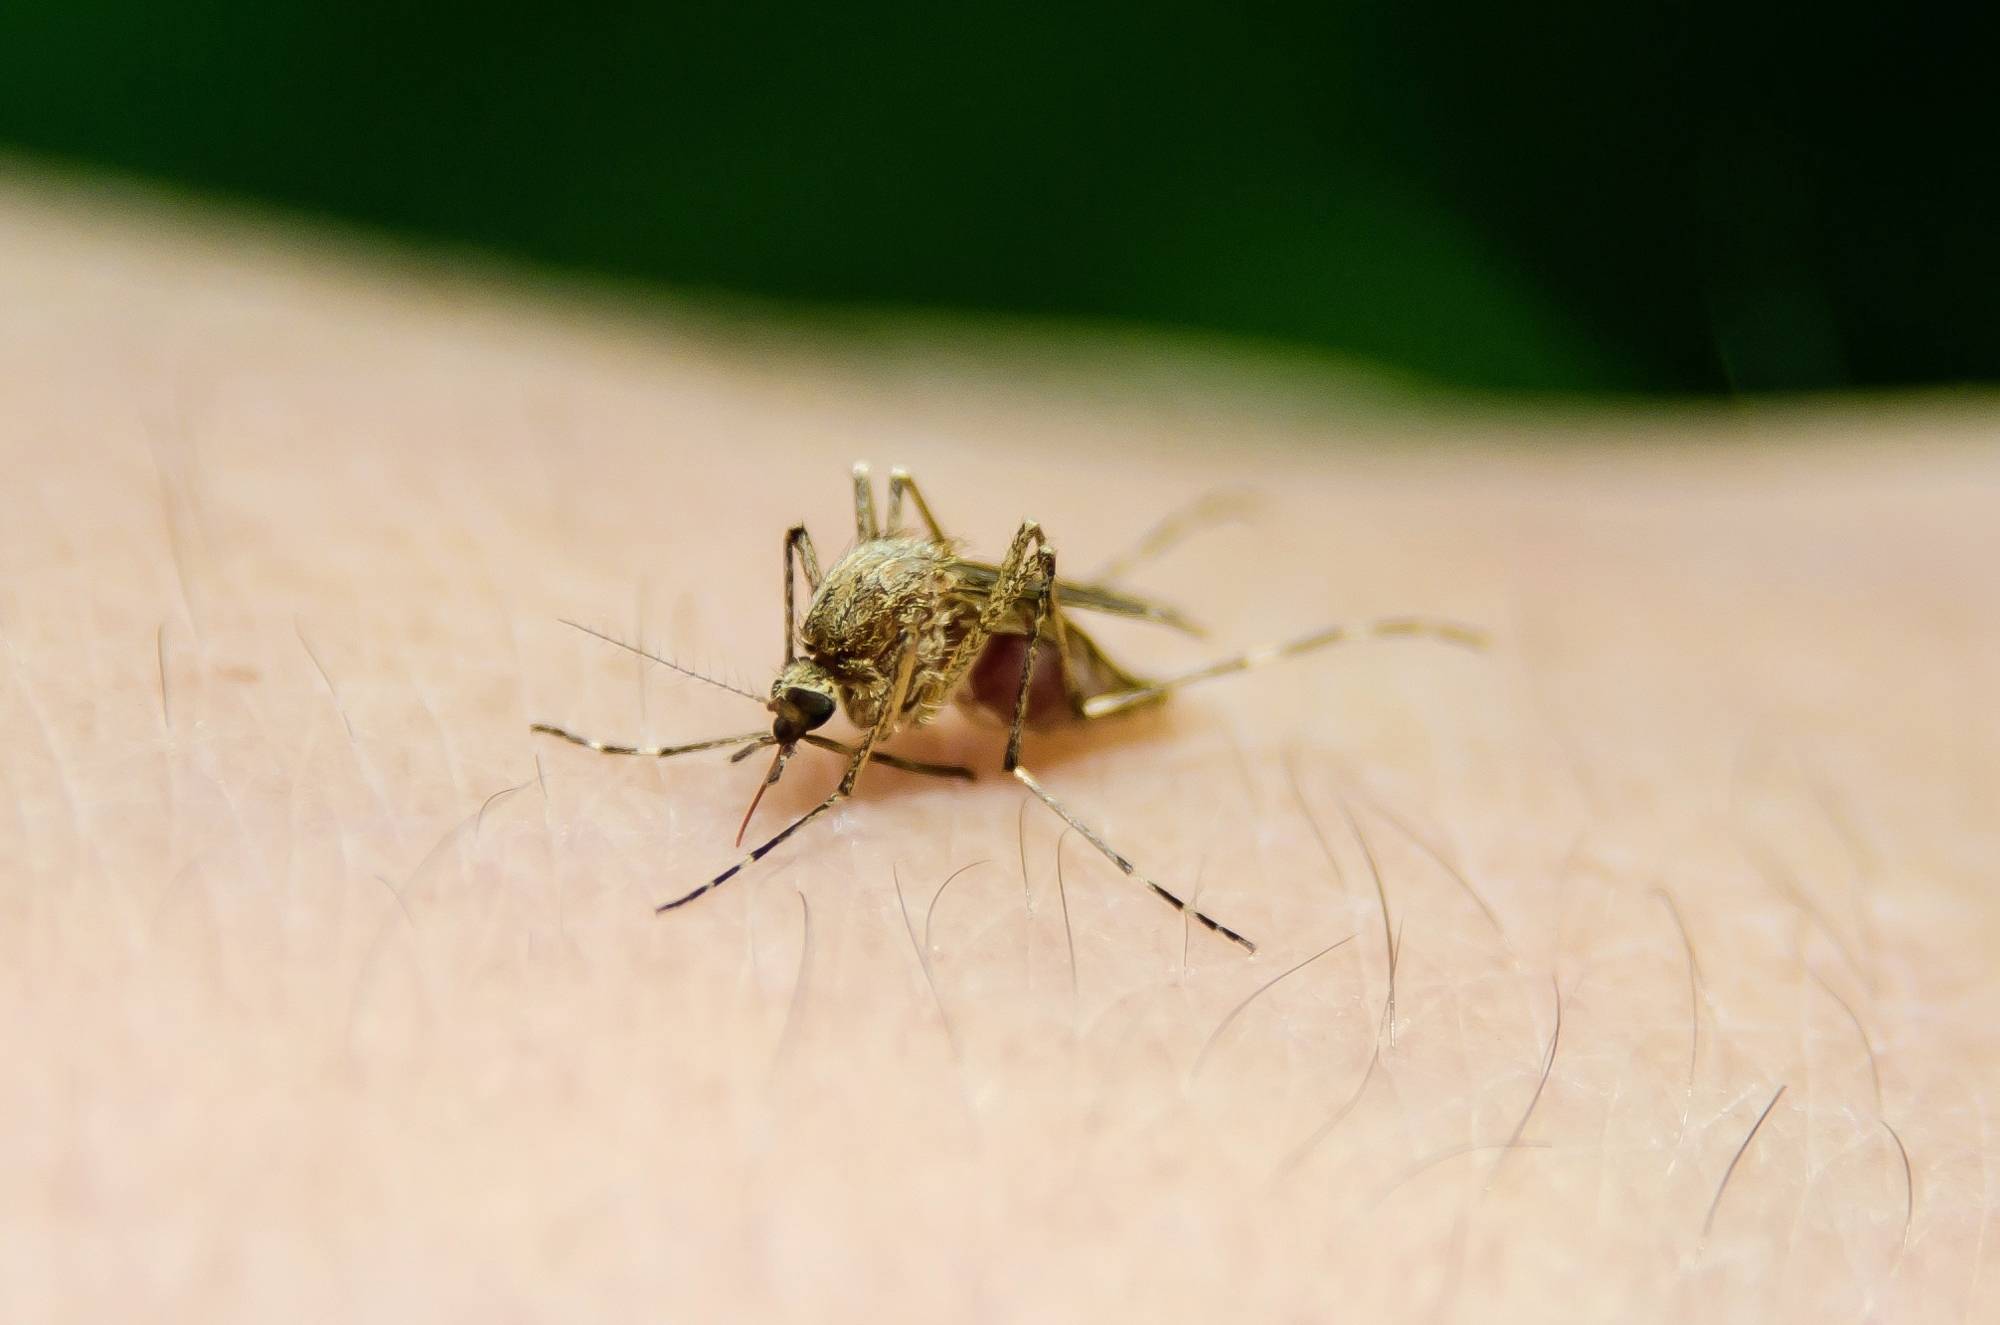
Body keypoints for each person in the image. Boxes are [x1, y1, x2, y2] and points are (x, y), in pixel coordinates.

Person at [4, 174, 1990, 1321]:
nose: (795, 742)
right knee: (869, 525)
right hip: (934, 616)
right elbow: (836, 639)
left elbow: (915, 636)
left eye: (805, 729)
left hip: (1014, 646)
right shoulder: (820, 651)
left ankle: (1062, 757)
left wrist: (983, 703)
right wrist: (828, 711)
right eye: (802, 722)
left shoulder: (895, 661)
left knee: (946, 592)